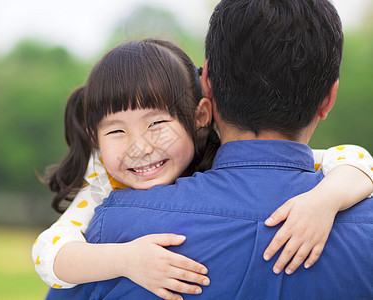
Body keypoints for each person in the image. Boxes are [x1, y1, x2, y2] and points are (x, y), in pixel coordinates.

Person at [43, 0, 373, 299]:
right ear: (329, 98)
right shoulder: (355, 213)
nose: (139, 148)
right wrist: (327, 199)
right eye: (117, 131)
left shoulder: (110, 229)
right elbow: (354, 160)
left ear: (208, 91)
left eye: (155, 124)